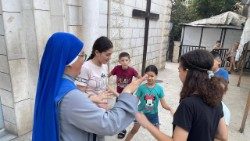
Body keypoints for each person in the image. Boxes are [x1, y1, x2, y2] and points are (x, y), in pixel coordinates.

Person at [32, 32, 148, 141]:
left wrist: (93, 98)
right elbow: (109, 124)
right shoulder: (71, 95)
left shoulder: (55, 85)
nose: (84, 59)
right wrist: (126, 94)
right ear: (68, 62)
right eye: (82, 55)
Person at [134, 50, 228, 141]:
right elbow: (223, 136)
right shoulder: (216, 99)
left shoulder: (188, 104)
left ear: (187, 71)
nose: (179, 74)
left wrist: (147, 124)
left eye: (179, 70)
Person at [125, 65, 174, 141]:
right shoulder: (141, 88)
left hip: (153, 115)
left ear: (156, 75)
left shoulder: (159, 89)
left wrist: (170, 108)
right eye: (148, 76)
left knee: (158, 134)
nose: (150, 78)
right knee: (134, 130)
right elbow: (135, 101)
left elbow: (163, 104)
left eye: (152, 76)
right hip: (141, 114)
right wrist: (129, 107)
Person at [108, 52, 141, 139]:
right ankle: (122, 129)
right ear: (119, 61)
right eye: (122, 60)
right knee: (120, 112)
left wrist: (140, 84)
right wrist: (101, 78)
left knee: (128, 110)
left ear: (129, 61)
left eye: (126, 60)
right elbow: (108, 75)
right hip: (119, 95)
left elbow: (139, 77)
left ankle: (132, 117)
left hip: (128, 95)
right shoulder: (117, 69)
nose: (124, 62)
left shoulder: (132, 70)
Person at [76, 36, 115, 110]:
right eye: (107, 54)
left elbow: (104, 86)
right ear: (97, 52)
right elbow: (79, 94)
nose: (110, 57)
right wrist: (95, 98)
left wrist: (118, 95)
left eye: (111, 54)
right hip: (91, 110)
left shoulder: (105, 66)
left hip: (103, 109)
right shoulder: (85, 67)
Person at [211, 51, 231, 126]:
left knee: (226, 114)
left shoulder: (224, 73)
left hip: (216, 99)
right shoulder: (207, 71)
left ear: (219, 62)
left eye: (212, 61)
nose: (209, 63)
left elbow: (222, 88)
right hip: (206, 97)